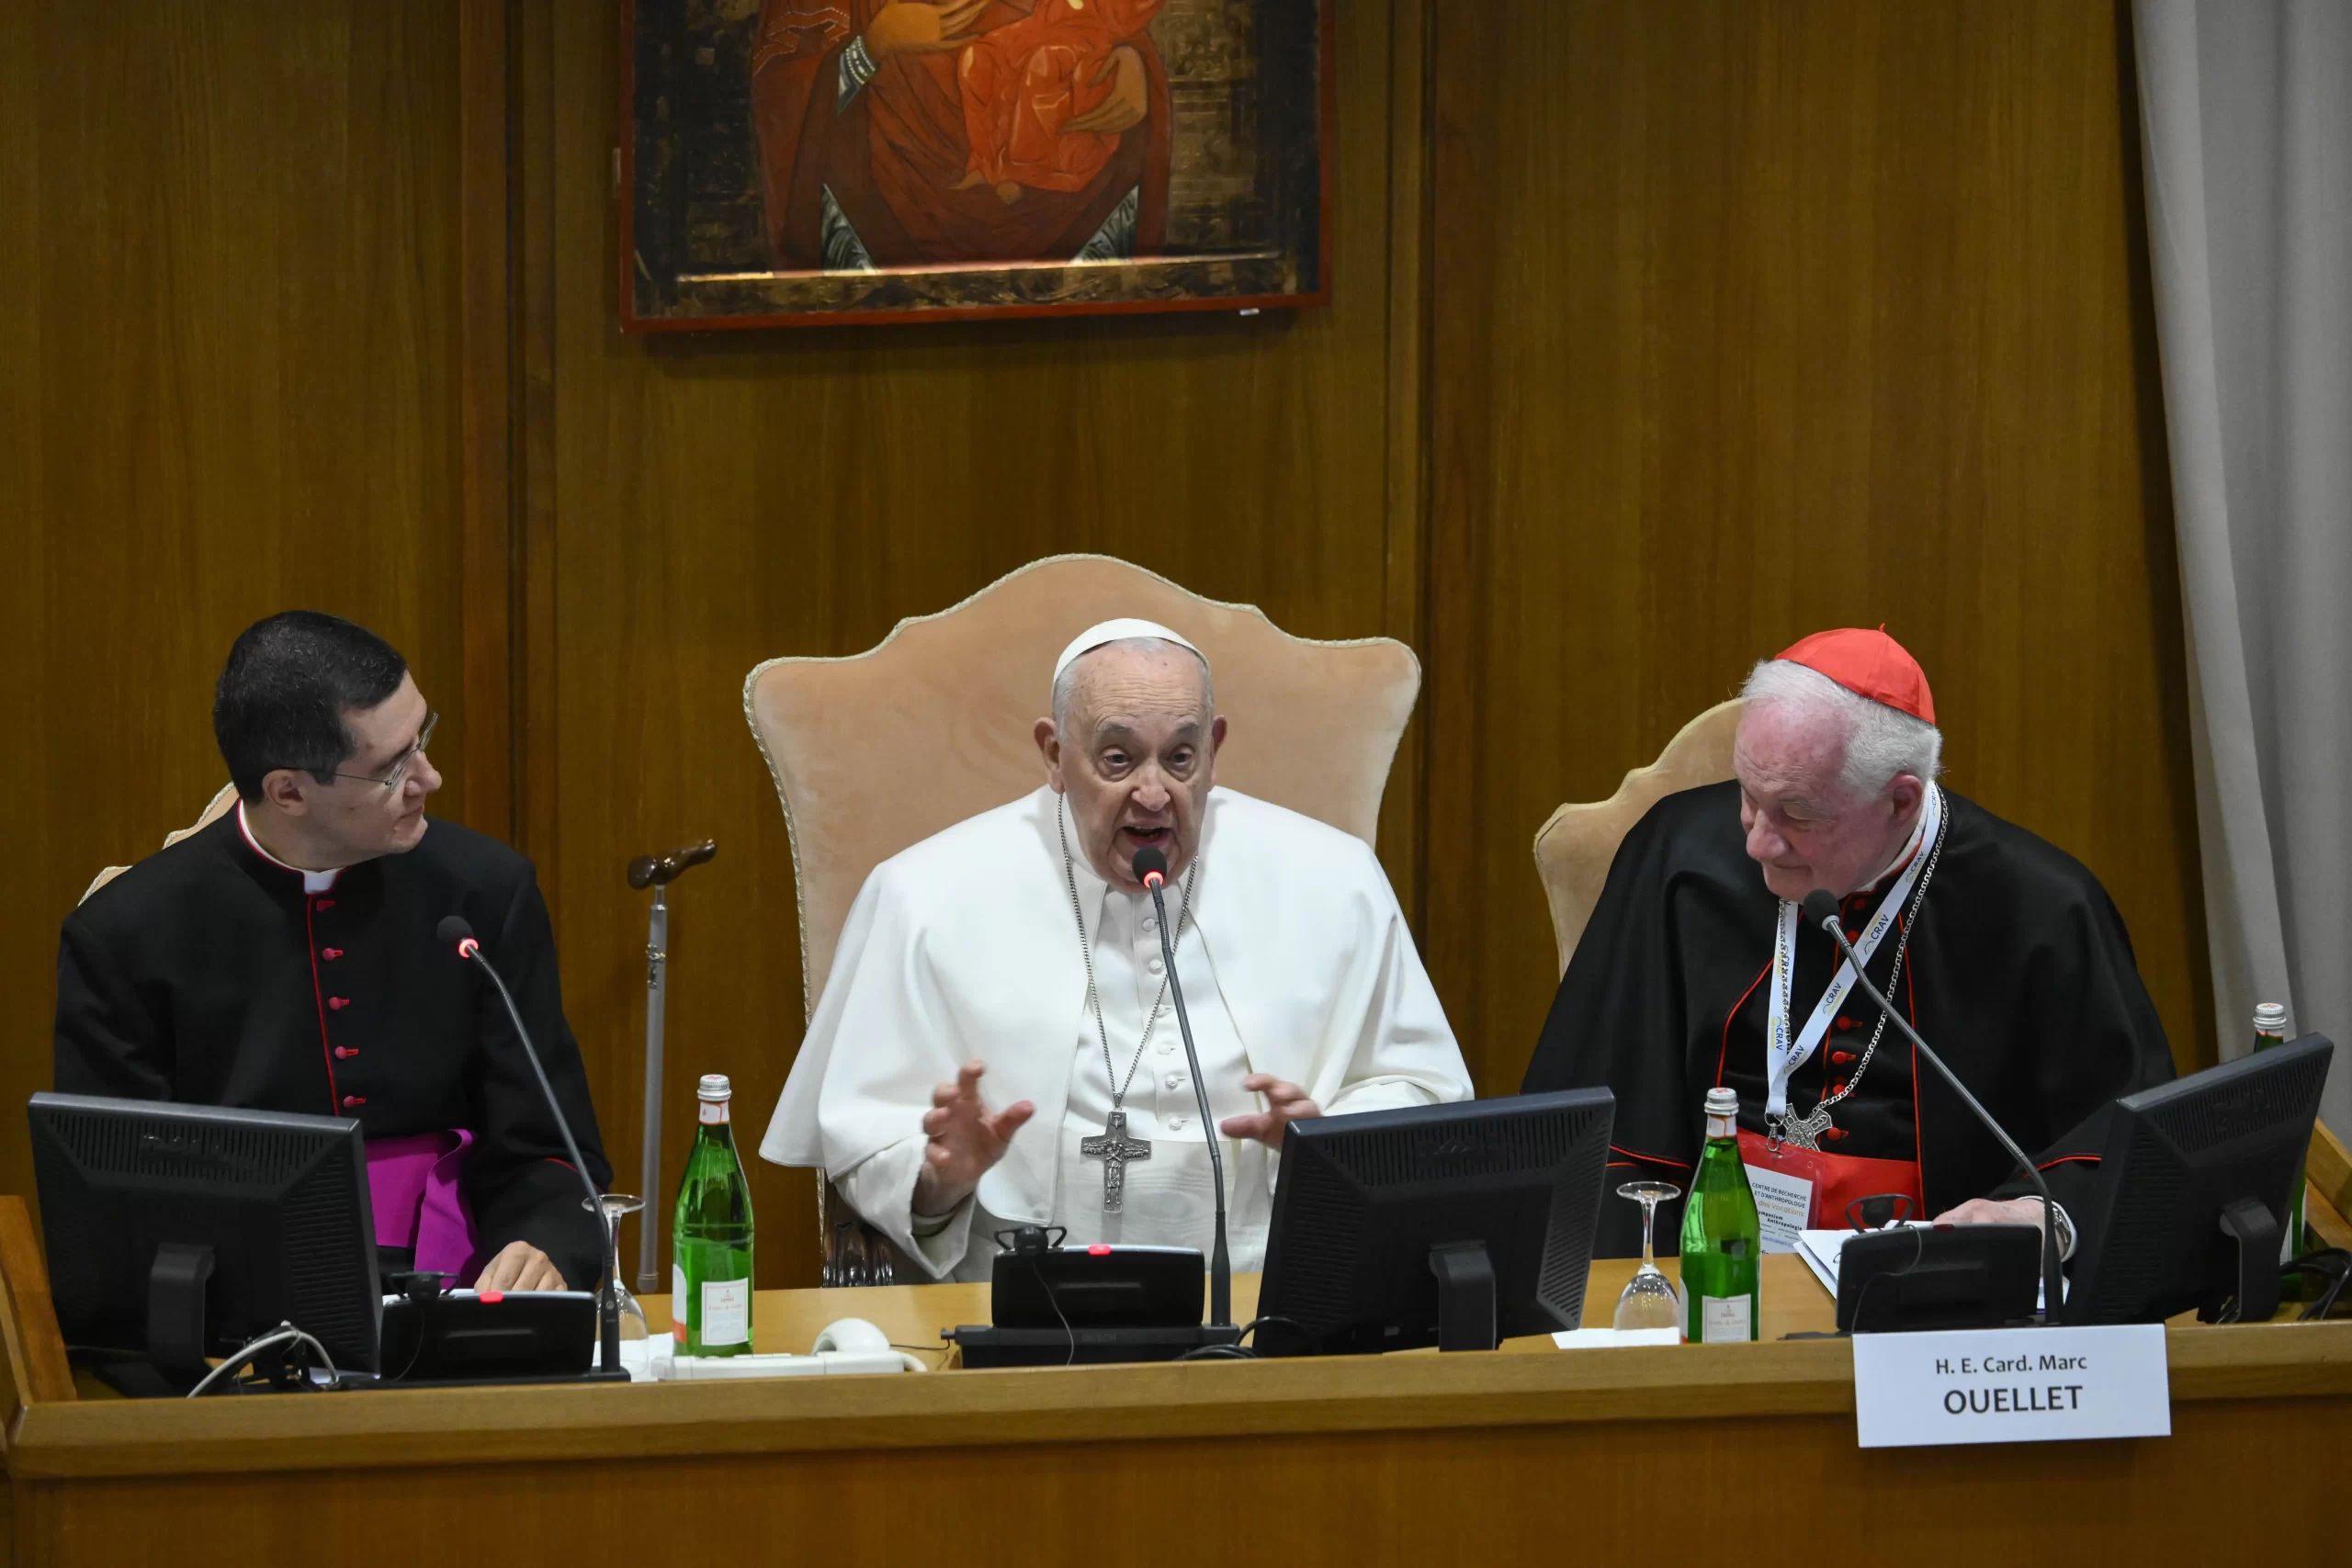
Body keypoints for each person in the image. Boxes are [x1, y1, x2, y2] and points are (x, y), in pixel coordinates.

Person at [762, 617, 1472, 1280]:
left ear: (1215, 752)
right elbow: (867, 1136)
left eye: (1181, 756)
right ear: (1053, 755)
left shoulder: (1333, 880)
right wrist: (939, 1176)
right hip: (1024, 1308)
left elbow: (1423, 1089)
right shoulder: (925, 895)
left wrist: (1332, 1141)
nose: (1155, 793)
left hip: (1274, 1299)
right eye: (1117, 757)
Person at [1523, 627, 2175, 1258]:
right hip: (1709, 1251)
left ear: (1900, 801)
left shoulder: (2042, 907)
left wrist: (2043, 1215)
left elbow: (2120, 1142)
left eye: (1798, 815)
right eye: (1749, 797)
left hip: (1930, 1281)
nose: (1755, 842)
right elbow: (1587, 1119)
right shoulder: (1679, 860)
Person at [53, 612, 610, 1292]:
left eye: (422, 738)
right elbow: (118, 1197)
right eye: (391, 766)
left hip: (462, 1285)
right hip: (237, 1305)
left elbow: (552, 1145)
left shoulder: (486, 890)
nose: (429, 777)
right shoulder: (125, 933)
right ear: (288, 789)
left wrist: (545, 1242)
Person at [749, 0, 1169, 269]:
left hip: (1067, 207)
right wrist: (874, 44)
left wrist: (1131, 67)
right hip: (881, 206)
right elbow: (784, 90)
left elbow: (1102, 19)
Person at [955, 0, 1165, 205]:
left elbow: (1126, 24)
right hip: (1040, 29)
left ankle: (1019, 169)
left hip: (1085, 46)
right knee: (976, 58)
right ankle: (986, 163)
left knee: (1044, 64)